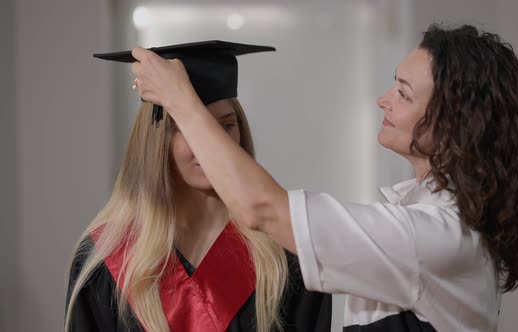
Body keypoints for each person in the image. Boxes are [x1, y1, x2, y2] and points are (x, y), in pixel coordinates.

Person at [130, 25, 518, 331]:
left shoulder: (436, 236)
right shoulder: (425, 215)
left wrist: (180, 100)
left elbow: (261, 208)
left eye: (403, 93)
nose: (383, 100)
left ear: (456, 124)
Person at [65, 41, 332, 332]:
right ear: (157, 140)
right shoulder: (108, 257)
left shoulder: (286, 253)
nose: (209, 145)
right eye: (186, 127)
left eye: (226, 126)